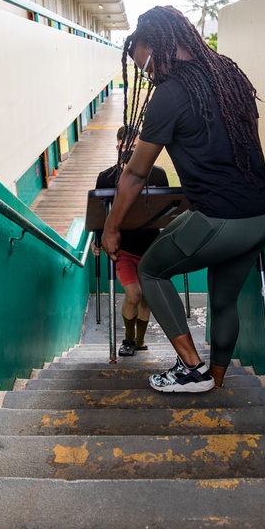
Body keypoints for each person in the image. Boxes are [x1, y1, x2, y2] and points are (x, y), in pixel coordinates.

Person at [101, 6, 265, 393]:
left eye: (142, 61)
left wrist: (112, 229)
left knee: (149, 270)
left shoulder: (171, 94)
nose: (145, 72)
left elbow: (134, 173)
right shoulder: (228, 75)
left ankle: (191, 370)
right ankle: (214, 381)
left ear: (155, 44)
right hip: (262, 215)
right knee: (223, 300)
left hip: (221, 219)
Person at [93, 125, 169, 356]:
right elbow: (99, 214)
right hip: (122, 249)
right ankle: (127, 340)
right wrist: (98, 241)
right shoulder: (106, 178)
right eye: (127, 147)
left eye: (137, 147)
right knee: (133, 294)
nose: (132, 151)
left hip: (151, 246)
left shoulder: (157, 174)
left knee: (146, 298)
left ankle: (139, 340)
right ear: (118, 147)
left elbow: (166, 210)